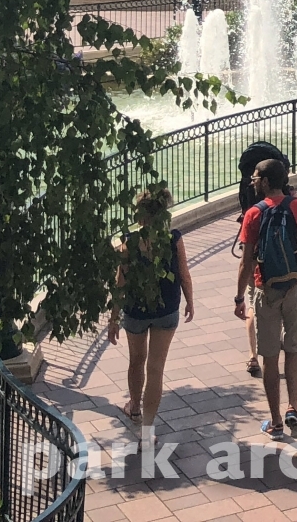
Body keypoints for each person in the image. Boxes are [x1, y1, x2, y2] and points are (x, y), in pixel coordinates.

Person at [233, 157, 297, 439]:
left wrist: (239, 297)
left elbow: (245, 262)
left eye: (255, 177)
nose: (253, 182)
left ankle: (275, 422)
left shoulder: (253, 214)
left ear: (265, 181)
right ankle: (293, 408)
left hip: (266, 290)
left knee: (270, 357)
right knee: (294, 350)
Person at [106, 185, 192, 445]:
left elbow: (120, 282)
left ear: (140, 214)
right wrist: (190, 301)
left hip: (136, 310)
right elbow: (184, 273)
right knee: (156, 369)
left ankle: (134, 407)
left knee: (136, 360)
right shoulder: (173, 239)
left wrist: (114, 318)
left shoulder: (129, 242)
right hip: (167, 308)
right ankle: (147, 430)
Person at [231, 140, 290, 379]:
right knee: (281, 302)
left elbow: (245, 259)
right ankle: (281, 342)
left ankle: (253, 355)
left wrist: (237, 297)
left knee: (253, 304)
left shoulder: (252, 209)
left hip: (256, 261)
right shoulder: (292, 203)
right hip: (285, 267)